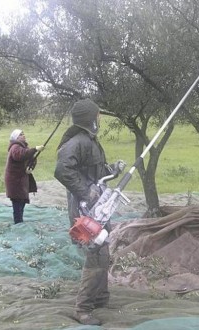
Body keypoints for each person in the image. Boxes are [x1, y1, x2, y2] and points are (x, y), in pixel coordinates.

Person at [54, 99, 124, 326]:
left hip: (98, 207)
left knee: (102, 250)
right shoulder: (77, 142)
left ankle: (101, 298)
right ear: (90, 119)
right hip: (85, 209)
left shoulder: (90, 142)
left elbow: (95, 169)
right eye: (98, 116)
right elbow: (62, 170)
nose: (100, 119)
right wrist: (86, 192)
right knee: (95, 254)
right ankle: (82, 308)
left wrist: (112, 169)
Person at [4, 129, 44, 224]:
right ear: (16, 138)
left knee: (21, 201)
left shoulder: (24, 147)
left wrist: (31, 167)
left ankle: (19, 222)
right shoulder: (15, 147)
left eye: (23, 133)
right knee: (18, 203)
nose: (23, 135)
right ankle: (18, 223)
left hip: (21, 180)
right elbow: (21, 155)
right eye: (20, 134)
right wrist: (35, 149)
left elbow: (31, 159)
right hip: (15, 181)